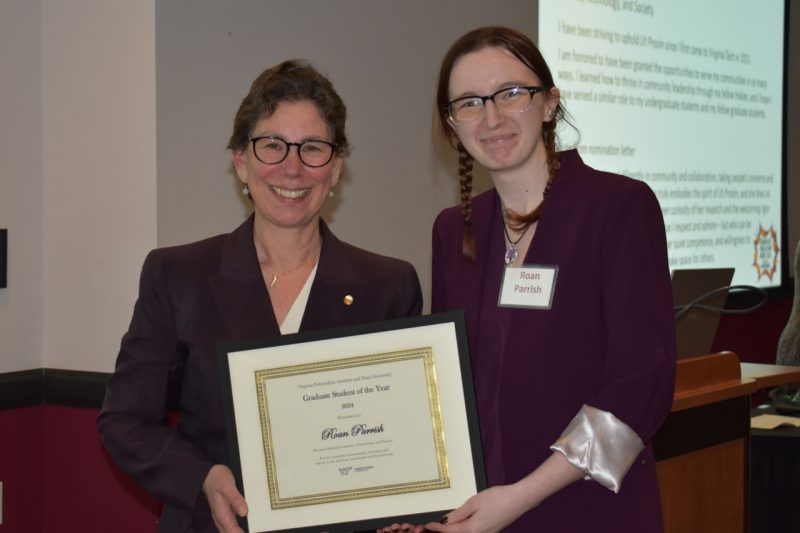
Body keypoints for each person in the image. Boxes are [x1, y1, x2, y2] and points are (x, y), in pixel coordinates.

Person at [98, 60, 423, 533]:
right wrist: (202, 478)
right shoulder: (178, 275)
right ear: (241, 163)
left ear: (335, 171)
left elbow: (405, 436)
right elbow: (125, 421)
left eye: (312, 148)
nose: (292, 167)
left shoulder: (388, 285)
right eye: (272, 145)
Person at [424, 26, 675, 532]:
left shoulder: (618, 208)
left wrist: (520, 497)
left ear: (549, 102)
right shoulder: (454, 231)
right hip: (482, 512)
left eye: (511, 94)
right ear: (453, 125)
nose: (492, 118)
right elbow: (446, 384)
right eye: (470, 103)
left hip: (591, 507)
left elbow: (639, 386)